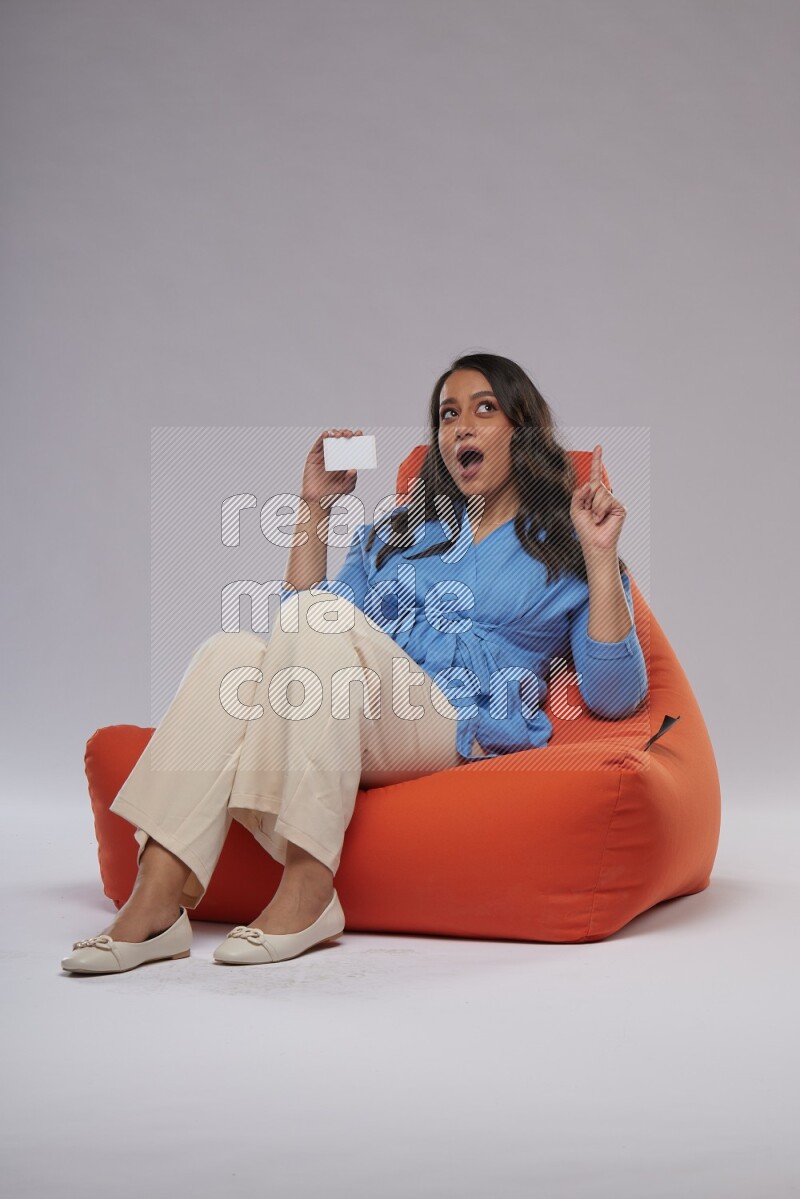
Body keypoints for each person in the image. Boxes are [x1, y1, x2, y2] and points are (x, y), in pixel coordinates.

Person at [61, 351, 648, 975]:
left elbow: (614, 695)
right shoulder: (397, 533)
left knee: (318, 623)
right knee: (228, 653)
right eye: (448, 415)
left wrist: (601, 555)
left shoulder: (565, 548)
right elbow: (296, 628)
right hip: (356, 712)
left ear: (521, 429)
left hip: (453, 725)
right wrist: (314, 508)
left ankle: (309, 887)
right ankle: (156, 901)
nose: (462, 428)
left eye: (484, 410)